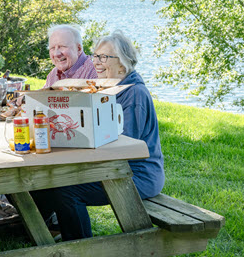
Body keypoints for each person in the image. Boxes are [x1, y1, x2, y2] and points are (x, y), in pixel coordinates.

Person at [36, 30, 165, 241]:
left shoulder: (134, 93)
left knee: (66, 190)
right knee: (47, 182)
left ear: (122, 62)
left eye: (104, 57)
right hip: (115, 168)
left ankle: (80, 246)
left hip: (137, 175)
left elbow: (123, 147)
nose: (96, 62)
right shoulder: (111, 87)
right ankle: (43, 232)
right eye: (95, 56)